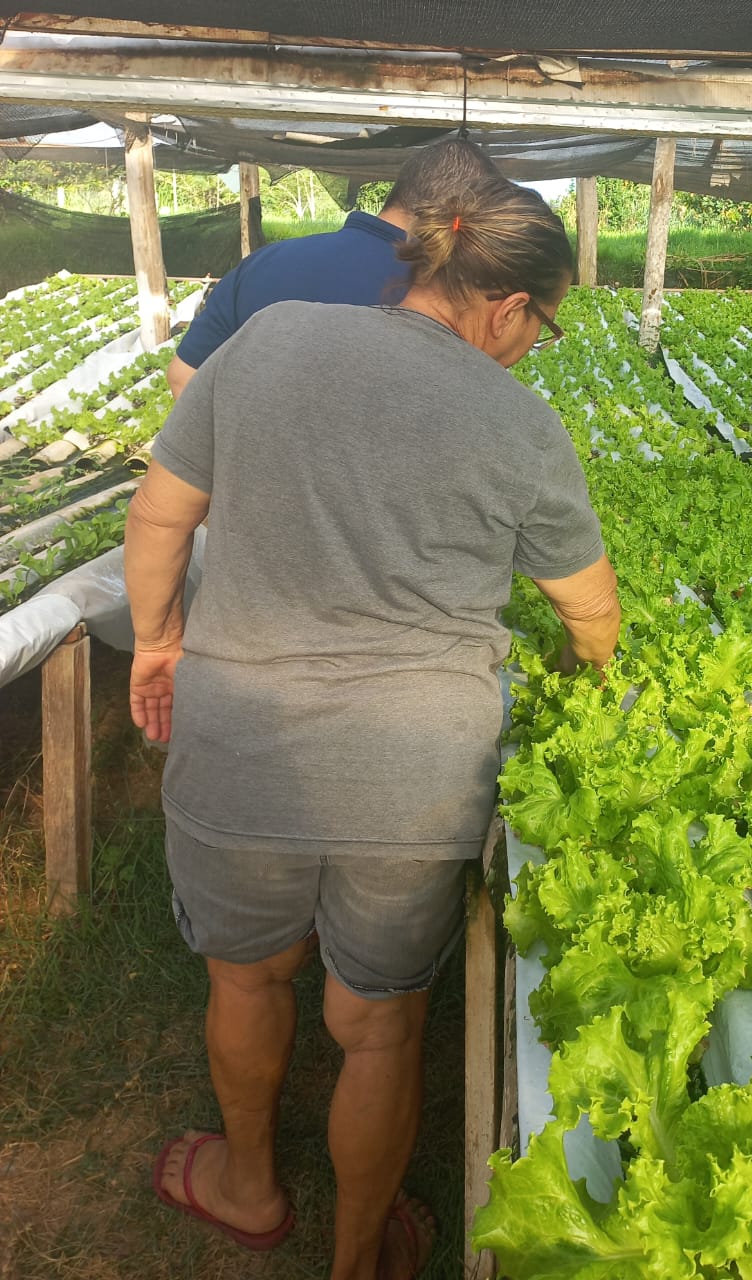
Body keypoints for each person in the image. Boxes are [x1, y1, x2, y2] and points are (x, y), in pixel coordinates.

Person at [124, 169, 621, 1280]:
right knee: (378, 1022)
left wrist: (159, 645)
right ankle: (361, 1257)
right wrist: (589, 687)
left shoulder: (271, 341)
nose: (538, 346)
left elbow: (160, 513)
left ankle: (250, 1189)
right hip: (416, 770)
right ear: (504, 307)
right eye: (544, 324)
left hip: (242, 732)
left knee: (245, 977)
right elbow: (592, 611)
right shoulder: (519, 419)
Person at [166, 138, 511, 398]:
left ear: (401, 190)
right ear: (462, 215)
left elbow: (182, 375)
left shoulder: (261, 264)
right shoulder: (448, 296)